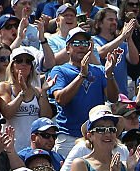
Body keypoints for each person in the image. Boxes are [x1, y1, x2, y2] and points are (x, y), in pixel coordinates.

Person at [47, 29, 120, 157]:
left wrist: (109, 75)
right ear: (68, 48)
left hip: (96, 136)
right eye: (76, 43)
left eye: (85, 43)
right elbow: (60, 99)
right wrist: (82, 75)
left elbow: (113, 98)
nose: (81, 46)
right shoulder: (59, 70)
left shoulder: (100, 70)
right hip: (69, 137)